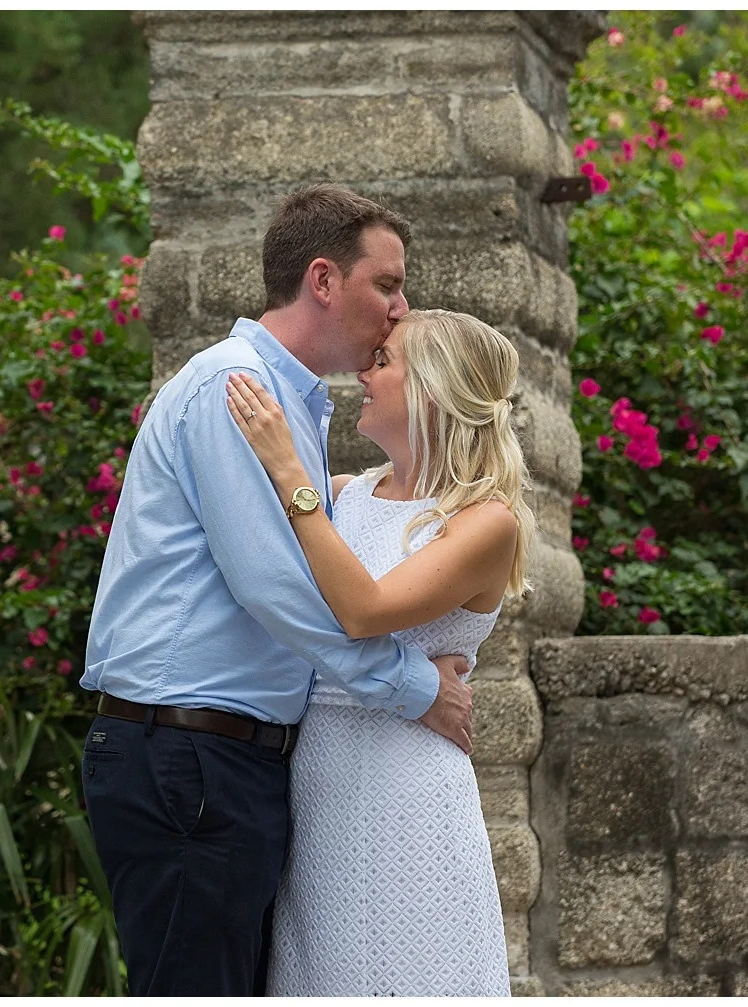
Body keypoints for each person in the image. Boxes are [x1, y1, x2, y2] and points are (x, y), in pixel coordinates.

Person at [77, 183, 475, 997]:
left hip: (221, 758)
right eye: (387, 285)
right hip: (187, 753)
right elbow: (275, 586)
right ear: (323, 281)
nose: (402, 309)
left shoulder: (293, 404)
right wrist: (408, 687)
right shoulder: (235, 388)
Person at [224, 307, 534, 995]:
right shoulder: (346, 496)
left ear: (432, 389)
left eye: (384, 362)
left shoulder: (486, 522)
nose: (363, 372)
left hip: (410, 789)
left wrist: (287, 467)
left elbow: (363, 611)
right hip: (318, 780)